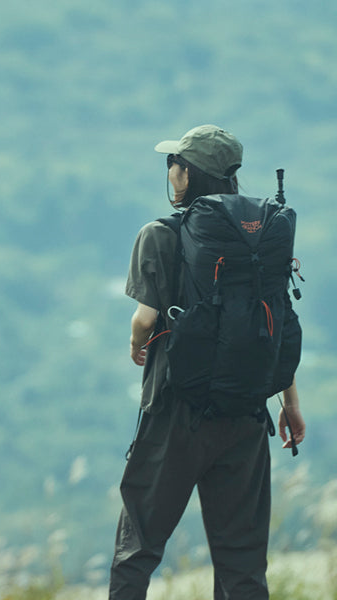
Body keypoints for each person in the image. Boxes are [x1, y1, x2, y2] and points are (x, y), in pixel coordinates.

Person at [108, 125, 306, 600]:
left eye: (173, 163)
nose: (170, 172)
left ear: (187, 174)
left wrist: (135, 342)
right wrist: (290, 401)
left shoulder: (160, 234)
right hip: (246, 413)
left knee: (137, 549)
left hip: (176, 411)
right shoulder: (262, 236)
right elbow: (273, 318)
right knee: (242, 564)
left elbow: (146, 318)